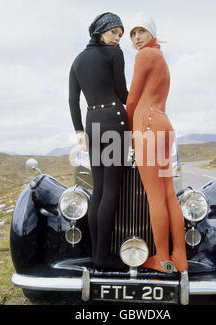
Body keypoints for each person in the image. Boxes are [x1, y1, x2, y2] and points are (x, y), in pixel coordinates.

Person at [126, 13, 188, 273]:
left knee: (154, 197)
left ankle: (162, 258)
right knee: (169, 194)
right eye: (133, 33)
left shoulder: (144, 56)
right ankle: (180, 257)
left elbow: (132, 98)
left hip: (147, 126)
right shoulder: (161, 58)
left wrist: (127, 131)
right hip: (164, 124)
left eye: (141, 31)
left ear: (151, 33)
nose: (137, 38)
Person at [69, 12, 129, 270]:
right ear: (101, 31)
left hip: (92, 125)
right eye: (114, 32)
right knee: (111, 190)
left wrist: (79, 131)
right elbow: (123, 94)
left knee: (98, 190)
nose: (117, 38)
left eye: (120, 34)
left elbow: (73, 101)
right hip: (115, 122)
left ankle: (96, 255)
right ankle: (104, 257)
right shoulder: (114, 55)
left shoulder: (78, 60)